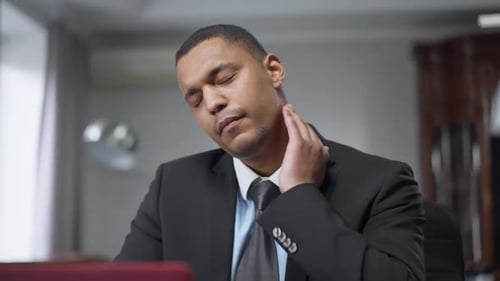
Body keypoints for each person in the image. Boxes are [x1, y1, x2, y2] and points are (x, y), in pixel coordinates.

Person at [115, 24, 425, 281]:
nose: (212, 104)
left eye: (224, 79)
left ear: (274, 71)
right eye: (195, 100)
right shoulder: (173, 186)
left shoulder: (381, 183)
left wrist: (300, 198)